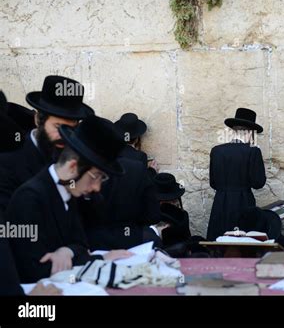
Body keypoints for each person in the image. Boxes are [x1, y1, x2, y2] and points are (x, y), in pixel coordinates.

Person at [6, 116, 132, 283]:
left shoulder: (68, 191)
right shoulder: (29, 199)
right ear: (73, 167)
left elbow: (81, 244)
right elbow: (37, 270)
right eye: (95, 177)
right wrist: (99, 259)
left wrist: (67, 251)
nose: (97, 188)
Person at [0, 75, 94, 212]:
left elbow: (91, 215)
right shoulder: (7, 162)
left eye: (70, 129)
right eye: (58, 127)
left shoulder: (77, 159)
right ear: (38, 120)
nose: (64, 136)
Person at [207, 108, 266, 241]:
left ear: (234, 130)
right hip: (244, 203)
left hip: (220, 202)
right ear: (250, 132)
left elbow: (213, 183)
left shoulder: (216, 151)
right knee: (243, 242)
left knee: (219, 241)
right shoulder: (253, 152)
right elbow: (258, 183)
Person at [79, 157, 162, 251]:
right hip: (132, 241)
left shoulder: (87, 164)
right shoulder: (137, 167)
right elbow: (153, 215)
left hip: (92, 241)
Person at [151, 171, 208, 257]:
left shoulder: (182, 215)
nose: (174, 203)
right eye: (171, 201)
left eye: (174, 201)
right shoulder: (181, 214)